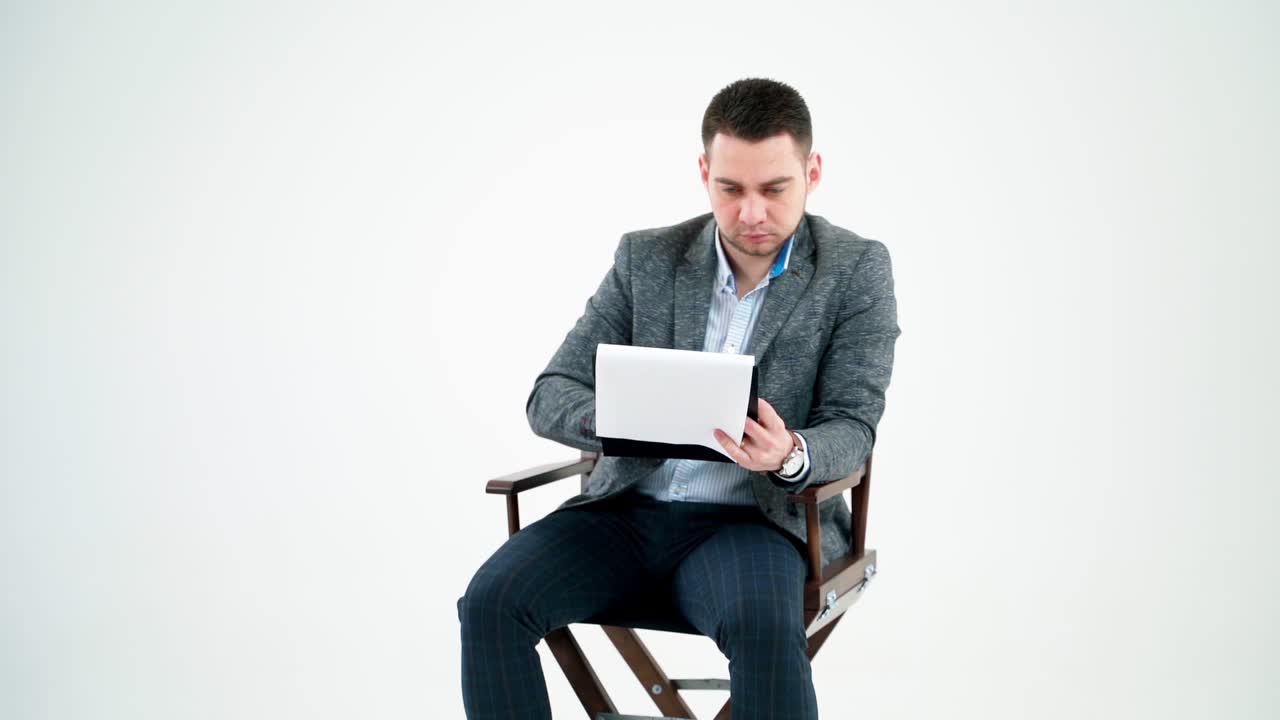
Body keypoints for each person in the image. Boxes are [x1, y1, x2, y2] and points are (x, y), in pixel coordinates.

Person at [458, 78, 899, 720]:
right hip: (622, 515)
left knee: (765, 629)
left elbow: (855, 424)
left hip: (752, 524)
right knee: (491, 600)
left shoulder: (855, 269)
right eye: (731, 189)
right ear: (704, 173)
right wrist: (621, 419)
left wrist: (791, 454)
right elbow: (549, 395)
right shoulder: (648, 258)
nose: (752, 213)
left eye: (774, 189)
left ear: (812, 172)